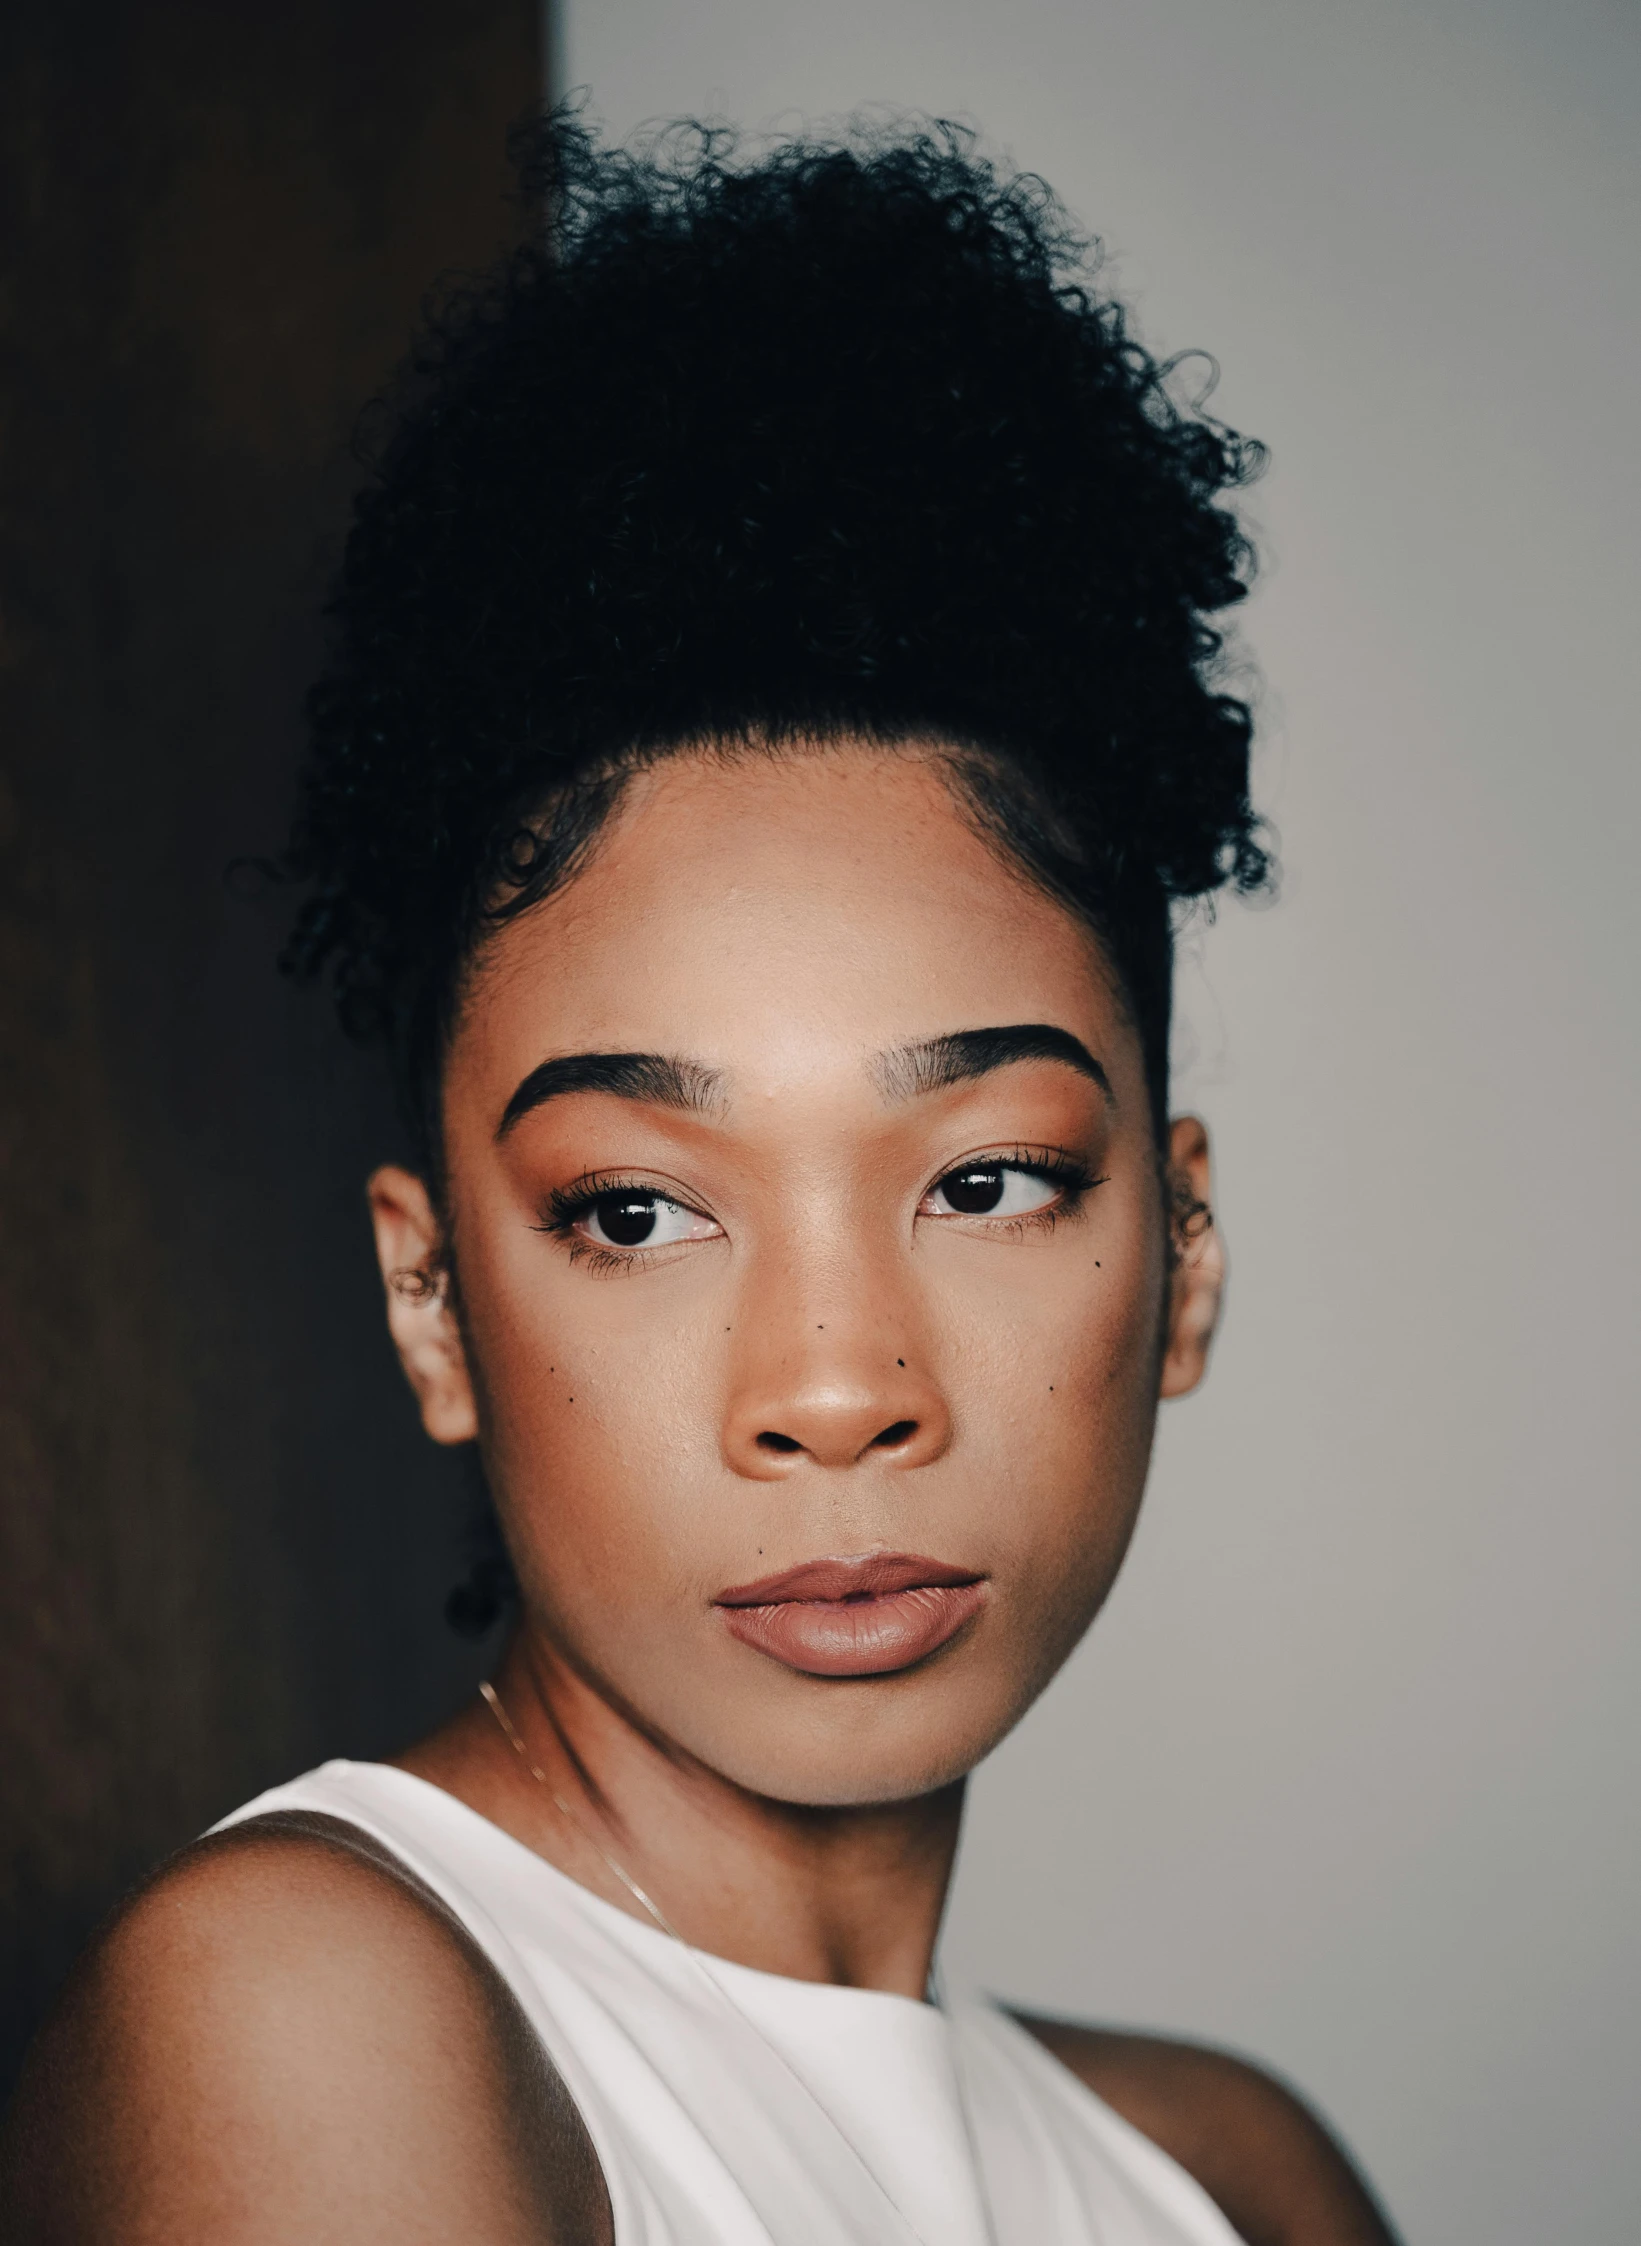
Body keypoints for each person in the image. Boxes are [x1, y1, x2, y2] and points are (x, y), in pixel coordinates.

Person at [0, 112, 1399, 2245]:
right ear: (432, 1300)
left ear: (1180, 1250)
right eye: (637, 1208)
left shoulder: (1236, 2180)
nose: (835, 1385)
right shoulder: (293, 2011)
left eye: (990, 1179)